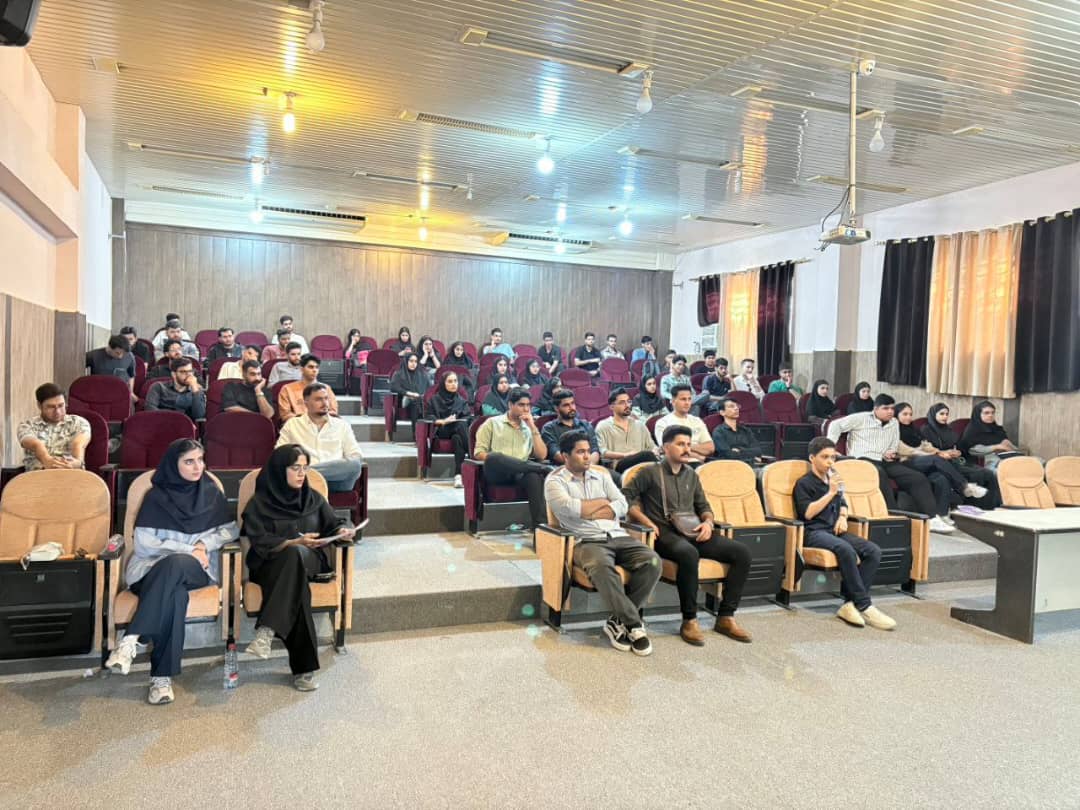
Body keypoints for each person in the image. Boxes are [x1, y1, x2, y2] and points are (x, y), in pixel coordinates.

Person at [104, 439, 239, 704]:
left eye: (200, 460)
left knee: (177, 565)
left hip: (195, 571)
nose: (197, 467)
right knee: (175, 596)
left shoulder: (211, 492)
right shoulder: (155, 496)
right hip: (149, 570)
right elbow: (144, 544)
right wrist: (189, 549)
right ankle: (161, 678)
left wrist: (203, 545)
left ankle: (132, 637)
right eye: (189, 461)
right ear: (173, 465)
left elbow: (230, 530)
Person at [623, 425, 753, 646]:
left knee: (742, 553)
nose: (686, 449)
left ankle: (726, 617)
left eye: (688, 444)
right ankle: (689, 620)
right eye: (680, 444)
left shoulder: (691, 474)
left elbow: (704, 506)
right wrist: (645, 521)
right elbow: (624, 497)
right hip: (663, 533)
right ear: (666, 447)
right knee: (688, 553)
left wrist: (708, 523)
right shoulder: (649, 472)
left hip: (693, 530)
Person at [242, 444, 355, 692]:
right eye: (295, 468)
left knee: (295, 558)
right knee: (296, 581)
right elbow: (259, 540)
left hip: (310, 559)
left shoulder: (313, 498)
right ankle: (304, 669)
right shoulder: (259, 503)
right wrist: (292, 542)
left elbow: (334, 523)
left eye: (305, 467)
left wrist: (342, 531)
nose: (302, 473)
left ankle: (267, 629)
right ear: (279, 470)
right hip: (270, 564)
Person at [545, 431, 660, 656]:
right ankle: (634, 625)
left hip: (617, 535)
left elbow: (622, 505)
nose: (587, 456)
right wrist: (602, 503)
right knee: (601, 567)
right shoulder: (554, 481)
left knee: (653, 561)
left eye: (588, 451)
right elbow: (572, 509)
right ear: (565, 456)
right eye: (580, 452)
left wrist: (592, 509)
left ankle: (617, 621)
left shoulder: (602, 475)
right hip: (586, 540)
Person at [794, 437, 895, 630]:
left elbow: (842, 501)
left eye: (833, 457)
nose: (830, 462)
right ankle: (864, 605)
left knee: (873, 551)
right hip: (813, 531)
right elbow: (807, 513)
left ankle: (850, 604)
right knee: (845, 549)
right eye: (824, 457)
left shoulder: (833, 479)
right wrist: (830, 493)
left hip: (833, 529)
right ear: (812, 458)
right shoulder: (804, 483)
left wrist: (843, 516)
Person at [826, 393, 953, 533]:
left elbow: (894, 442)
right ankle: (893, 517)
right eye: (886, 408)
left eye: (892, 408)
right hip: (863, 460)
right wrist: (831, 448)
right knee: (880, 474)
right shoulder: (861, 418)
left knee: (917, 478)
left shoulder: (894, 423)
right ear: (876, 409)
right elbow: (834, 425)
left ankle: (932, 518)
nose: (890, 411)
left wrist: (891, 451)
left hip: (884, 460)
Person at [474, 388, 548, 529]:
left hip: (520, 473)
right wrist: (505, 461)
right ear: (510, 405)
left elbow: (542, 455)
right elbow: (479, 453)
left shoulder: (528, 428)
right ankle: (542, 469)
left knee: (533, 476)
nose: (526, 409)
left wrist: (533, 427)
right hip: (497, 473)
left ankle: (540, 527)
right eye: (521, 405)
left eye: (528, 405)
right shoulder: (492, 423)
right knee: (495, 456)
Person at [276, 383, 364, 493]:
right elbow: (279, 454)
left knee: (354, 465)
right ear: (306, 403)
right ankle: (306, 475)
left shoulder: (342, 425)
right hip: (305, 483)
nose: (325, 403)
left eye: (326, 398)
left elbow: (355, 454)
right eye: (318, 399)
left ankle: (307, 474)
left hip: (336, 482)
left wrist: (335, 469)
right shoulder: (292, 425)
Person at [921, 403, 999, 503]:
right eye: (941, 414)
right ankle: (975, 505)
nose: (945, 417)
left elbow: (958, 446)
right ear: (933, 414)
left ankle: (994, 505)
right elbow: (925, 450)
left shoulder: (947, 429)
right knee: (977, 474)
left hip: (956, 461)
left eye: (947, 414)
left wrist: (957, 452)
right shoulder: (926, 430)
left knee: (988, 473)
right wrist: (943, 452)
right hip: (941, 464)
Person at [17, 383, 90, 471]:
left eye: (61, 405)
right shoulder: (27, 425)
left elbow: (78, 445)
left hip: (71, 473)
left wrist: (76, 463)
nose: (57, 411)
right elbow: (36, 445)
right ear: (39, 405)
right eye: (51, 407)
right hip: (39, 475)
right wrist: (47, 461)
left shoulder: (79, 422)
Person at [596, 388, 659, 472]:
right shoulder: (603, 426)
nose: (627, 405)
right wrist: (625, 455)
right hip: (620, 464)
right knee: (647, 456)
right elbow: (603, 453)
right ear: (612, 407)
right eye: (622, 402)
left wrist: (656, 450)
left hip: (643, 463)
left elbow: (652, 446)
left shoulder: (640, 425)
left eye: (629, 401)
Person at [427, 371, 471, 488]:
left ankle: (458, 475)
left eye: (455, 381)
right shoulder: (434, 400)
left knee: (457, 439)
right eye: (450, 381)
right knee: (460, 426)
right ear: (443, 383)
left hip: (458, 431)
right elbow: (429, 417)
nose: (453, 384)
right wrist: (444, 421)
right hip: (442, 430)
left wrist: (458, 420)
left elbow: (467, 417)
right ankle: (473, 455)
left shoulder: (461, 400)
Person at [958, 401, 1027, 471]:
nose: (990, 415)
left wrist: (1009, 445)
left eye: (992, 413)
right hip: (985, 463)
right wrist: (996, 447)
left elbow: (1007, 446)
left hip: (1004, 459)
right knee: (1009, 471)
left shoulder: (997, 429)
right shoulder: (972, 431)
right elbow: (972, 450)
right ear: (978, 414)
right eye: (986, 413)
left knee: (1028, 465)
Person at [654, 385, 714, 462]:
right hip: (677, 464)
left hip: (701, 462)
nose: (687, 403)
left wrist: (685, 446)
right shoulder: (663, 423)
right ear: (673, 401)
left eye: (689, 399)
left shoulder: (697, 421)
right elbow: (669, 450)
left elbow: (710, 448)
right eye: (683, 399)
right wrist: (699, 456)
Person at [541, 390, 601, 467]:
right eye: (566, 405)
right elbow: (556, 454)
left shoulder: (586, 425)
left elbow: (595, 451)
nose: (571, 407)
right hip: (563, 469)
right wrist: (580, 467)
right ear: (556, 408)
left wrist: (588, 467)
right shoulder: (549, 428)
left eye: (572, 403)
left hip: (590, 467)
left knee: (613, 474)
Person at [279, 354, 339, 421]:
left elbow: (333, 412)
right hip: (297, 424)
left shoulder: (326, 388)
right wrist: (307, 421)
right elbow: (285, 415)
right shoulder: (287, 389)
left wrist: (316, 419)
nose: (314, 370)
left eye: (317, 367)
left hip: (322, 423)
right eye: (311, 367)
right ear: (301, 369)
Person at [711, 398, 768, 465]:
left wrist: (740, 450)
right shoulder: (719, 431)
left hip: (751, 465)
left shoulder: (745, 430)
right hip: (730, 466)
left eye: (737, 406)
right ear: (722, 412)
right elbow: (728, 455)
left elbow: (758, 451)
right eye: (731, 406)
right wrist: (751, 457)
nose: (736, 408)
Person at [86, 335, 137, 402]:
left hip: (121, 393)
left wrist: (131, 392)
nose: (120, 357)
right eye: (118, 353)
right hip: (99, 393)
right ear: (109, 347)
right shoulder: (93, 356)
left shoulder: (129, 356)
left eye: (124, 354)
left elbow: (131, 375)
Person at [389, 352, 430, 431]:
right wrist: (408, 393)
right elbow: (394, 387)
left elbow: (429, 389)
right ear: (406, 361)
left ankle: (421, 433)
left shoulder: (423, 374)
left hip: (420, 399)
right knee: (415, 401)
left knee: (418, 401)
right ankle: (417, 433)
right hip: (404, 400)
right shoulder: (398, 374)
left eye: (415, 361)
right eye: (411, 361)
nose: (413, 364)